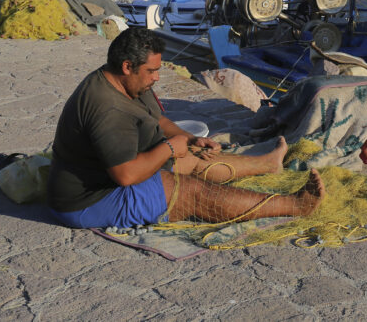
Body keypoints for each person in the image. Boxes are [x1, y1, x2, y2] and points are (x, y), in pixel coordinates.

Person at [47, 27, 324, 229]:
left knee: (192, 157)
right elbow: (126, 176)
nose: (157, 78)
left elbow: (158, 121)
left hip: (113, 175)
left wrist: (189, 140)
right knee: (188, 191)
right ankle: (295, 205)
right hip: (88, 201)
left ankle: (266, 164)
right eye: (152, 71)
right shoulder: (107, 108)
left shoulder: (130, 82)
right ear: (127, 66)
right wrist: (169, 148)